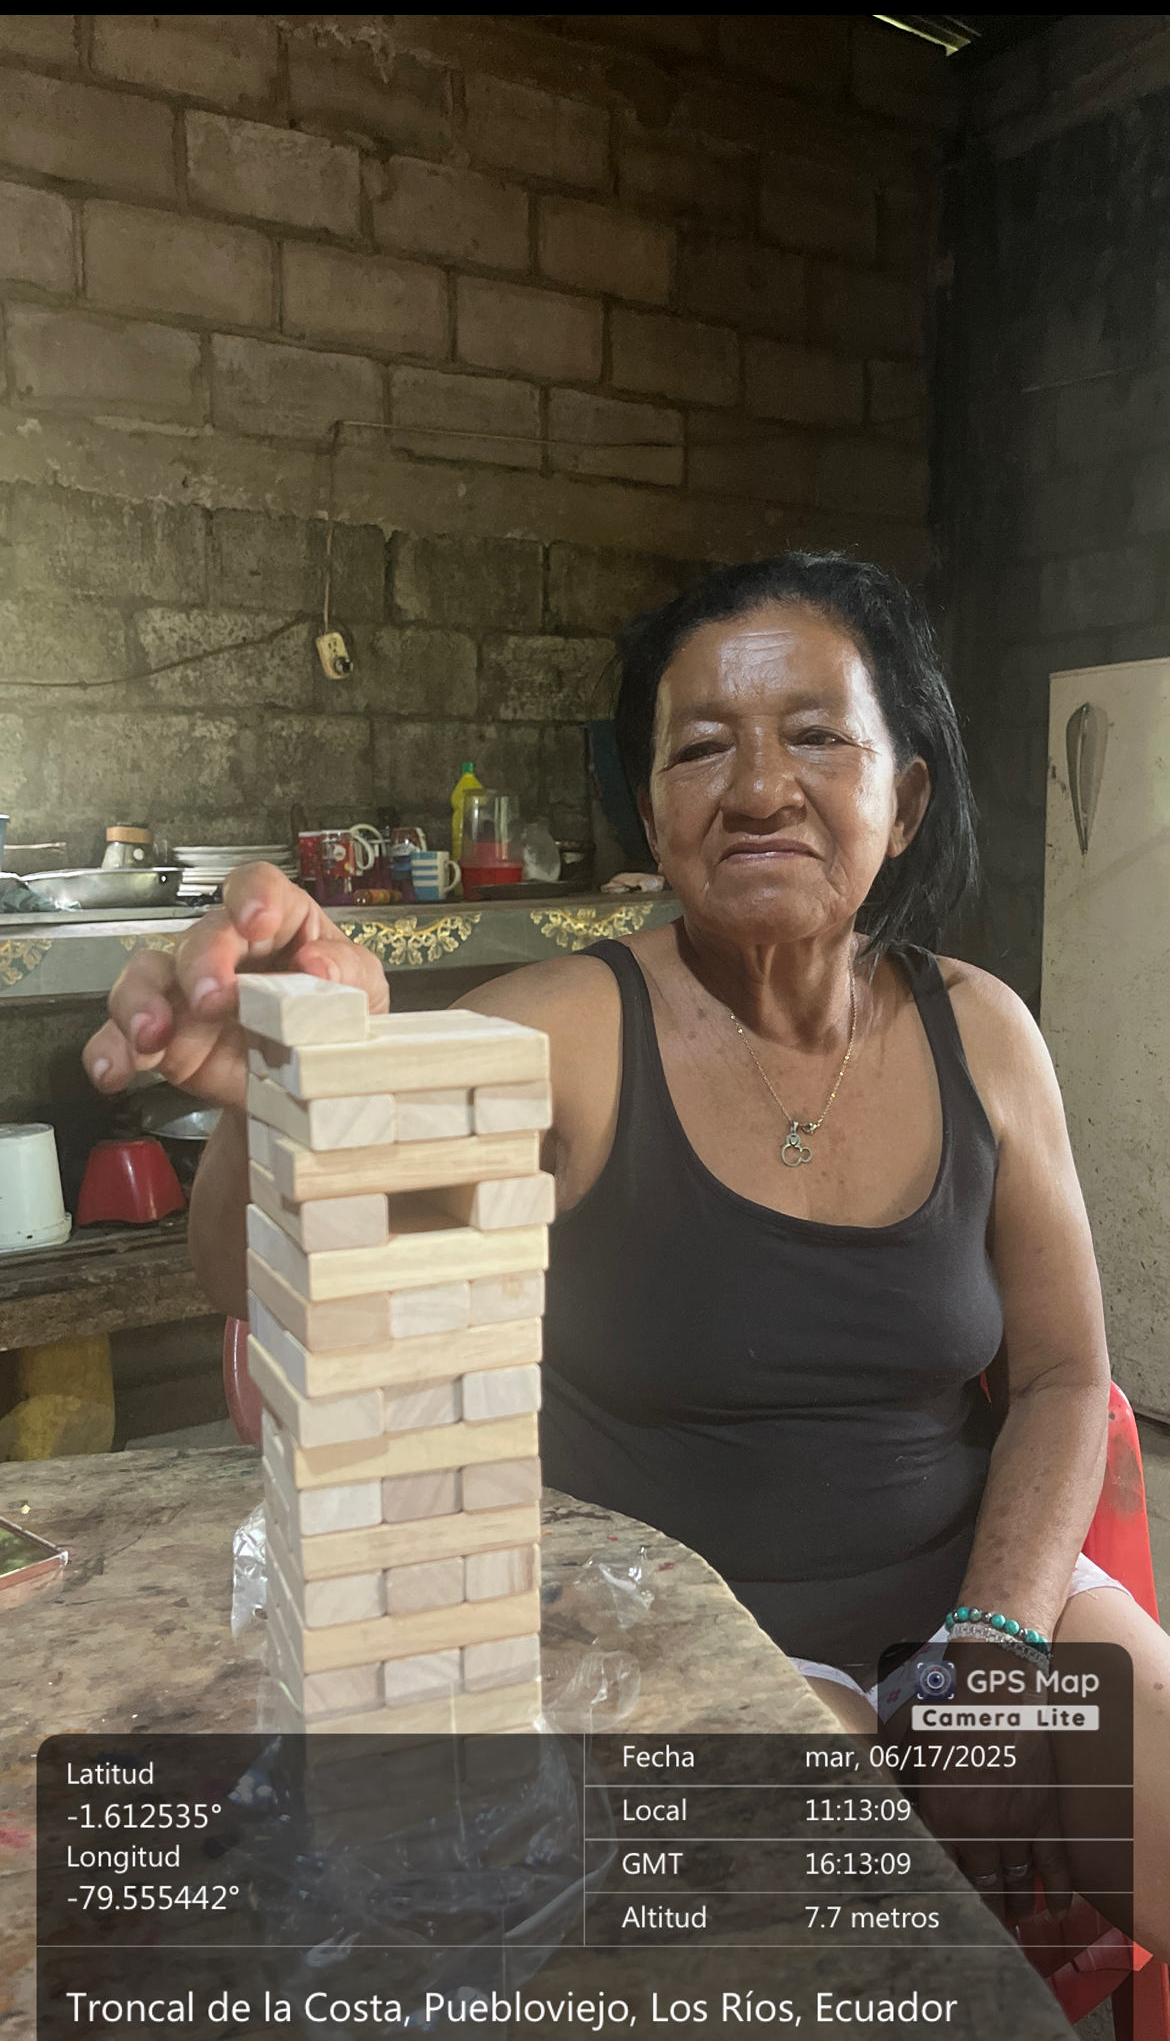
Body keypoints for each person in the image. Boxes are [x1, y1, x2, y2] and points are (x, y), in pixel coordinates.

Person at [83, 553, 1170, 1959]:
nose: (759, 788)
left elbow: (1065, 1375)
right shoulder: (566, 1036)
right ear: (652, 814)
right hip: (688, 1645)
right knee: (844, 1908)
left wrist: (997, 1650)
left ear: (903, 801)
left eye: (816, 736)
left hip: (980, 1603)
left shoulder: (985, 1034)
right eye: (701, 747)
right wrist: (281, 1086)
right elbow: (254, 1278)